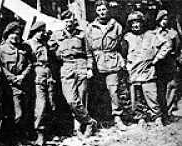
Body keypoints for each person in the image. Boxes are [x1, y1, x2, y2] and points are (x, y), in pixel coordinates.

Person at [49, 10, 97, 137]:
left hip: (81, 65)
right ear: (62, 21)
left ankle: (79, 129)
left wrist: (89, 68)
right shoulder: (56, 35)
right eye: (66, 21)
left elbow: (89, 53)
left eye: (70, 20)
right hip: (66, 66)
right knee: (71, 100)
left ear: (74, 21)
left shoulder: (82, 34)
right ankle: (89, 121)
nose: (68, 23)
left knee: (82, 98)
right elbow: (51, 51)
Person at [123, 11, 172, 128]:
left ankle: (157, 117)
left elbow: (167, 44)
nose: (136, 25)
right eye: (133, 23)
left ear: (142, 23)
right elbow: (122, 52)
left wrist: (156, 59)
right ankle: (140, 118)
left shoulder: (151, 35)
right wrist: (125, 64)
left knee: (151, 95)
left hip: (148, 71)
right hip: (133, 72)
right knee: (136, 97)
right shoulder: (127, 37)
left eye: (138, 22)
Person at [86, 0, 126, 130]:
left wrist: (121, 60)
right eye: (99, 10)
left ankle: (117, 118)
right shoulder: (91, 28)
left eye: (104, 9)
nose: (102, 12)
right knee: (98, 93)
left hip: (112, 62)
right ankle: (99, 119)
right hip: (97, 65)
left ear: (108, 10)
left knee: (113, 91)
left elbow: (122, 46)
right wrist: (89, 67)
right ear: (95, 12)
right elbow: (89, 50)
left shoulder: (116, 26)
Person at [0, 21, 33, 144]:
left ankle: (20, 138)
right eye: (12, 34)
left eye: (17, 34)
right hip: (7, 86)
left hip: (22, 85)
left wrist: (22, 76)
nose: (15, 36)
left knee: (24, 113)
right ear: (6, 34)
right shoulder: (0, 49)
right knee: (15, 114)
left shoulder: (24, 48)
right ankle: (13, 141)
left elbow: (30, 64)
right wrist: (12, 78)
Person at [25, 21, 56, 145]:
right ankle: (40, 134)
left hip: (48, 73)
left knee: (52, 103)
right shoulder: (28, 44)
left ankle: (50, 132)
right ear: (34, 31)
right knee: (41, 104)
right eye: (39, 31)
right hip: (37, 72)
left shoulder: (45, 43)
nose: (41, 33)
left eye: (43, 31)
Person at [155, 10, 181, 123]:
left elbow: (178, 47)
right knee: (160, 88)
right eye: (162, 19)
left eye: (166, 19)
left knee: (171, 86)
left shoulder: (173, 33)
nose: (164, 22)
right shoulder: (154, 33)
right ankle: (160, 113)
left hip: (170, 62)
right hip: (157, 64)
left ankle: (169, 112)